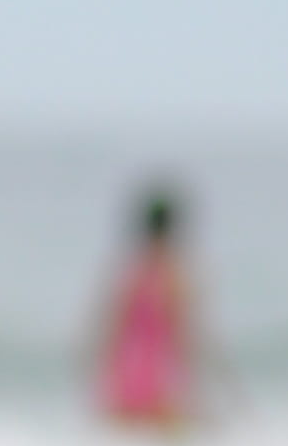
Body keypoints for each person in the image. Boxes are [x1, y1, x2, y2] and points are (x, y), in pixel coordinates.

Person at [87, 181, 218, 431]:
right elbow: (187, 336)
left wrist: (102, 377)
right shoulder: (177, 274)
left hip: (127, 373)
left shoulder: (129, 270)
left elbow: (111, 330)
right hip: (161, 377)